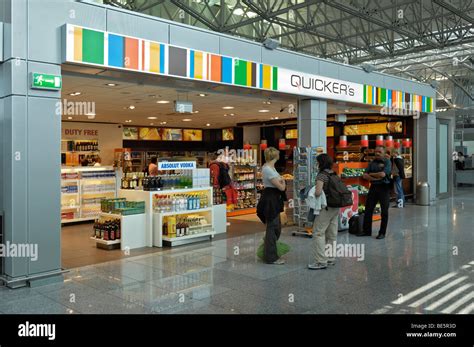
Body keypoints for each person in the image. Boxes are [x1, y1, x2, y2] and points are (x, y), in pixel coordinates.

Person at [308, 153, 339, 270]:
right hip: (336, 207)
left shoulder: (321, 175)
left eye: (317, 162)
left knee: (318, 232)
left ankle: (321, 261)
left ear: (320, 163)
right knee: (332, 234)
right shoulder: (333, 173)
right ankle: (331, 258)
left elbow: (318, 192)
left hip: (326, 208)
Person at [256, 147, 287, 265]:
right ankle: (271, 256)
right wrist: (283, 181)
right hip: (271, 199)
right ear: (275, 156)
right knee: (273, 227)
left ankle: (268, 250)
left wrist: (281, 181)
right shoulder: (268, 169)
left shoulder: (270, 167)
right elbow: (281, 187)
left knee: (276, 227)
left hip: (273, 198)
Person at [357, 146, 392, 239]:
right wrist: (376, 177)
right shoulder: (372, 163)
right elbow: (364, 175)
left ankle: (382, 233)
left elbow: (383, 174)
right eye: (376, 151)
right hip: (373, 187)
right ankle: (366, 231)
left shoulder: (387, 162)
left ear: (384, 153)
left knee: (384, 211)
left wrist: (371, 175)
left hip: (384, 188)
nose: (377, 153)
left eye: (379, 152)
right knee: (368, 209)